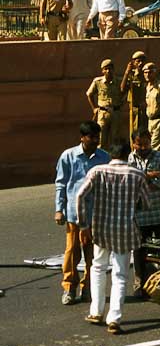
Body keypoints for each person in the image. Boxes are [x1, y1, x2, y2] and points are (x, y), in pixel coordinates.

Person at [77, 140, 150, 335]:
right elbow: (146, 203)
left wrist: (83, 225)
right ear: (128, 154)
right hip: (125, 230)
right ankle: (114, 318)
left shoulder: (97, 171)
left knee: (98, 268)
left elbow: (80, 196)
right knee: (120, 274)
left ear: (111, 154)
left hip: (101, 228)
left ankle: (96, 311)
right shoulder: (137, 174)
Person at [55, 121, 110, 306]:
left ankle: (88, 288)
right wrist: (58, 209)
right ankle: (69, 287)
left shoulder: (104, 157)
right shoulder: (68, 156)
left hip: (96, 215)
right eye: (91, 137)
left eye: (97, 137)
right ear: (82, 138)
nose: (95, 141)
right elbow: (61, 184)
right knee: (72, 252)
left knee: (93, 255)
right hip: (74, 214)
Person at [128, 130, 160, 297]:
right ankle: (140, 283)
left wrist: (144, 182)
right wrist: (150, 176)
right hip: (140, 215)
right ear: (133, 143)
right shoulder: (130, 158)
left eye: (146, 143)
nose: (142, 147)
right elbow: (130, 181)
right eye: (139, 144)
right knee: (139, 250)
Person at [86, 59, 124, 151]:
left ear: (113, 69)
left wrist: (122, 102)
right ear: (102, 70)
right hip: (103, 113)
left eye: (110, 68)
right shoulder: (98, 82)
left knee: (115, 139)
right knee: (101, 138)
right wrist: (94, 108)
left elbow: (125, 92)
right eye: (105, 69)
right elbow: (89, 94)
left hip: (115, 112)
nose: (108, 71)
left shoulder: (119, 81)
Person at [120, 51, 148, 138]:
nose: (140, 63)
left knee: (146, 132)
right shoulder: (131, 75)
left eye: (142, 61)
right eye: (138, 61)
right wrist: (126, 73)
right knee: (134, 132)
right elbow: (122, 89)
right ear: (133, 62)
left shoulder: (148, 74)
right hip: (134, 108)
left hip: (146, 108)